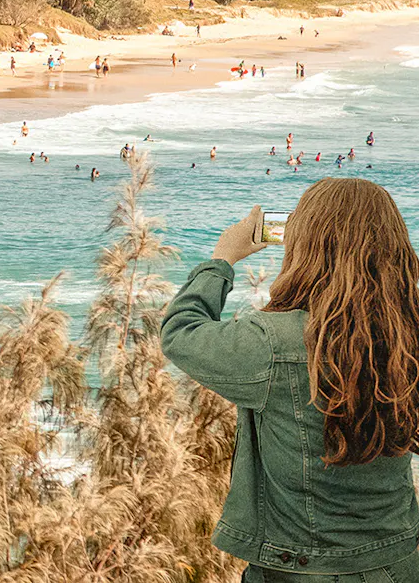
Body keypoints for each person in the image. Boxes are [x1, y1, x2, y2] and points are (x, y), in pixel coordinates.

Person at [161, 179, 419, 579]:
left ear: (303, 245)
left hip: (299, 569)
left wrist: (223, 259)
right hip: (400, 560)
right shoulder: (409, 331)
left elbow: (181, 332)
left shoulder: (270, 341)